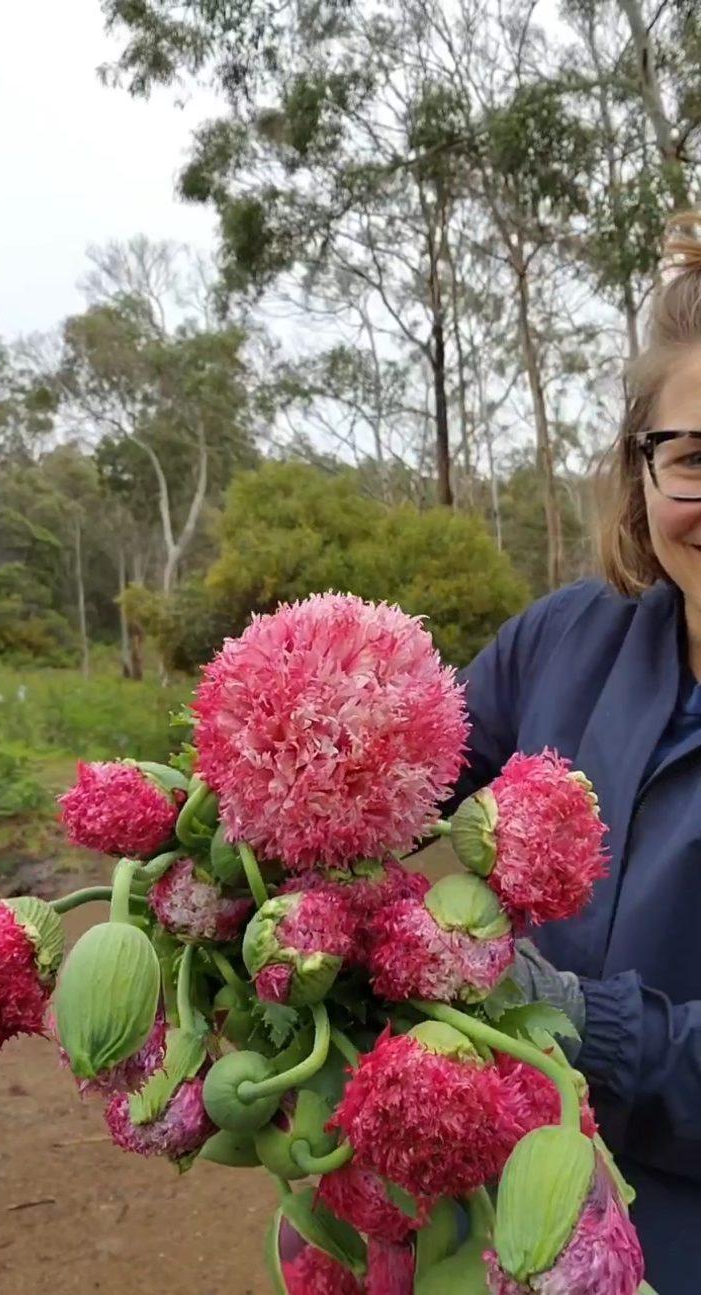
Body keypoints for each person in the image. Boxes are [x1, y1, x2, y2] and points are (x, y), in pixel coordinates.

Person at [451, 211, 701, 1295]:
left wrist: (571, 1015)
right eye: (693, 458)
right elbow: (403, 772)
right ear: (639, 473)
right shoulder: (563, 638)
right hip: (506, 1215)